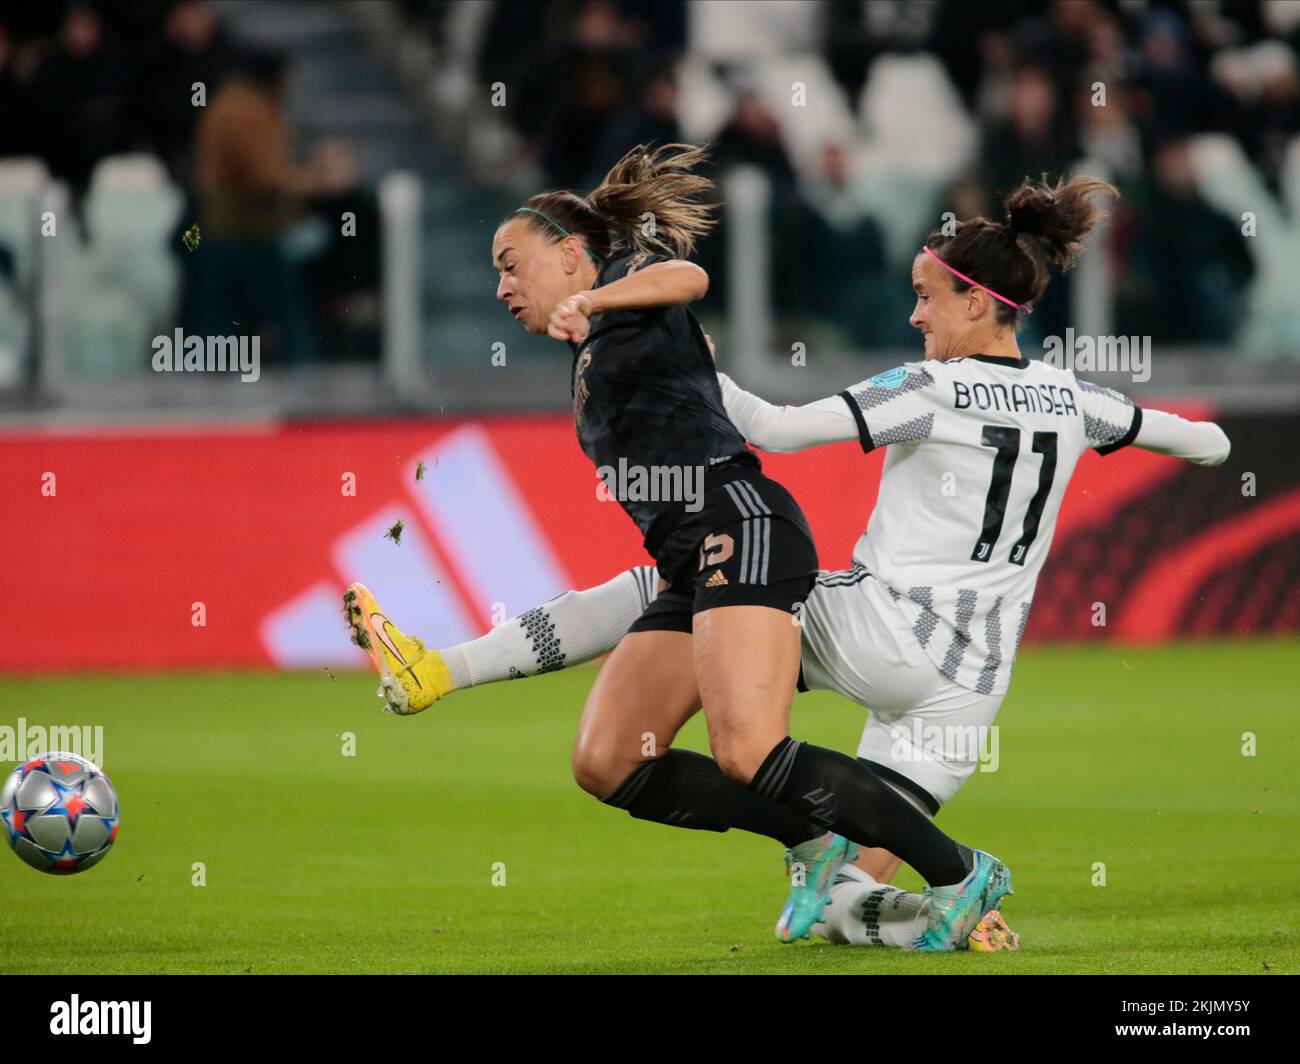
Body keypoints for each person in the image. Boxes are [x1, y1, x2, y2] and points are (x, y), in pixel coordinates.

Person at [350, 172, 1230, 949]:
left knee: (705, 659)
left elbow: (771, 425)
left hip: (878, 627)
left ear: (974, 301)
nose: (914, 315)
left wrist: (705, 375)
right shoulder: (1074, 398)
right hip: (971, 684)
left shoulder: (927, 386)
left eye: (926, 296)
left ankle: (962, 875)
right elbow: (1208, 442)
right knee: (830, 901)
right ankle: (913, 894)